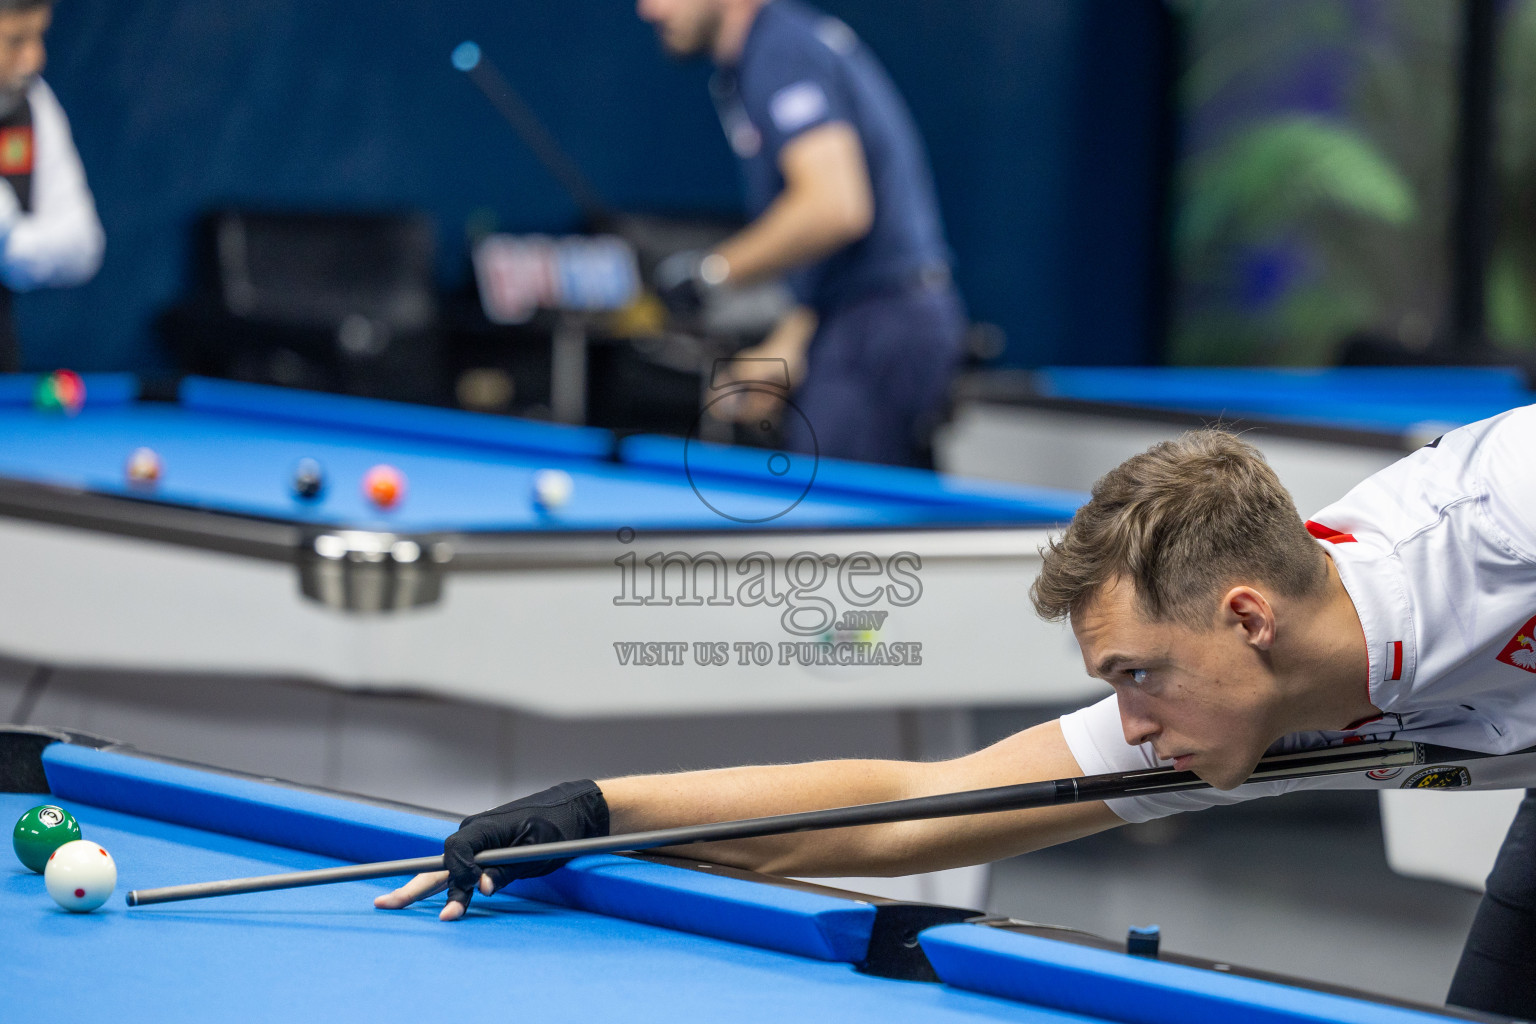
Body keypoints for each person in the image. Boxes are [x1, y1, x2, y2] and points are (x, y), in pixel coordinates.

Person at [377, 407, 1536, 1016]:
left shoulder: (1501, 515)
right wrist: (600, 809)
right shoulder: (1228, 698)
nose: (1130, 724)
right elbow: (913, 812)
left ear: (1248, 617)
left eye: (1140, 672)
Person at [644, 0, 964, 468]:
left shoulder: (780, 51)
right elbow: (845, 256)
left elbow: (835, 208)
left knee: (837, 533)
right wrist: (790, 345)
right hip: (869, 321)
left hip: (882, 328)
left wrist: (707, 275)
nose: (648, 10)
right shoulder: (776, 48)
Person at [0, 0, 103, 372]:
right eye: (15, 40)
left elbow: (84, 245)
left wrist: (9, 238)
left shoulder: (33, 104)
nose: (34, 59)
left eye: (38, 37)